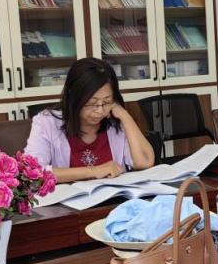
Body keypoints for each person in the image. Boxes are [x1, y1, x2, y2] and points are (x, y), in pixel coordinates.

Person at [24, 57, 155, 183]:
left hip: (112, 197)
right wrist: (93, 171)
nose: (100, 110)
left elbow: (145, 162)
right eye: (92, 103)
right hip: (69, 199)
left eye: (107, 101)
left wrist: (125, 117)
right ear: (73, 96)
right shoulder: (46, 122)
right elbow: (33, 172)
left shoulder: (114, 120)